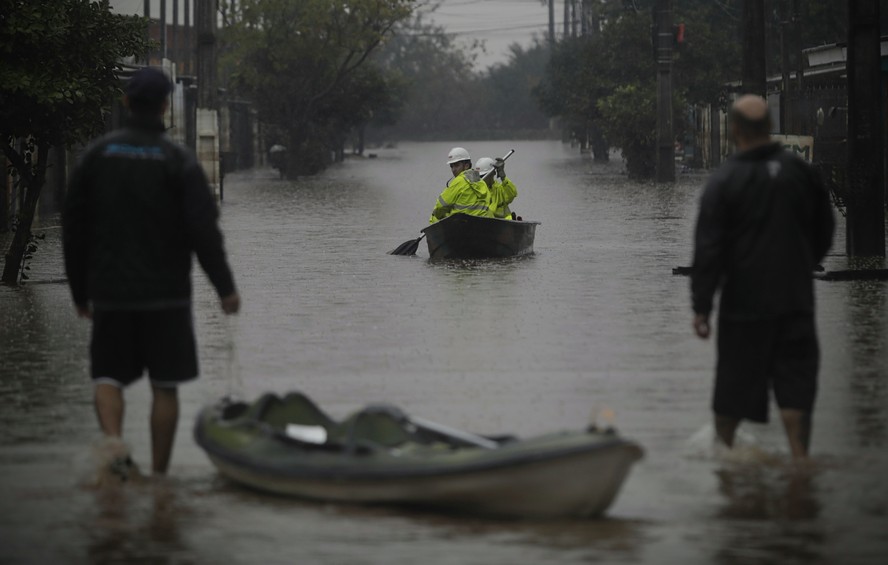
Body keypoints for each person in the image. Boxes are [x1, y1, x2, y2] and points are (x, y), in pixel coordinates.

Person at [62, 67, 241, 477]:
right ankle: (159, 478)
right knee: (165, 385)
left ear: (125, 103)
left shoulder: (96, 156)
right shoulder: (178, 160)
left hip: (110, 292)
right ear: (165, 106)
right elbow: (203, 232)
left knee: (107, 375)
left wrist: (78, 292)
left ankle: (115, 448)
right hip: (167, 295)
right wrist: (225, 289)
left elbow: (73, 230)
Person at [690, 94, 834, 461]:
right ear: (770, 127)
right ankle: (800, 461)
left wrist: (702, 307)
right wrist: (802, 265)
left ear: (734, 130)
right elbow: (825, 231)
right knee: (795, 387)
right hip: (795, 301)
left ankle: (725, 462)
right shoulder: (802, 173)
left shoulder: (724, 181)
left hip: (743, 307)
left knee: (733, 391)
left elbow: (708, 250)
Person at [429, 147, 493, 223]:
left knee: (434, 217)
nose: (453, 169)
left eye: (456, 165)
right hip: (482, 224)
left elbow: (441, 206)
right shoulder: (480, 181)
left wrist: (437, 215)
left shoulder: (459, 181)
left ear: (466, 165)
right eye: (451, 166)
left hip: (461, 225)